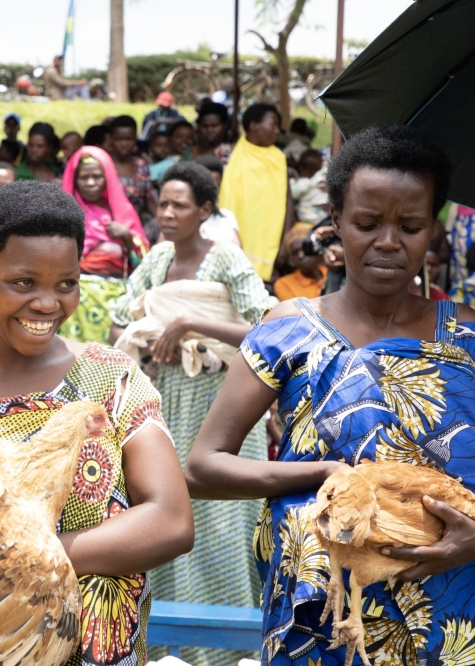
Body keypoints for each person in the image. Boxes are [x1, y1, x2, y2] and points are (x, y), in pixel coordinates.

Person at [183, 125, 475, 666]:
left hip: (447, 611)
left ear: (432, 230)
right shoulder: (288, 329)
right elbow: (202, 467)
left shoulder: (467, 337)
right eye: (367, 223)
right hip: (319, 616)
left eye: (410, 226)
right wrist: (320, 475)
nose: (388, 242)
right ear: (336, 222)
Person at [0, 179, 194, 666]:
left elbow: (171, 520)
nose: (48, 303)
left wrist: (26, 557)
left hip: (91, 646)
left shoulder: (112, 378)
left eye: (66, 283)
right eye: (23, 283)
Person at [109, 162, 271, 666]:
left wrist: (191, 322)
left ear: (206, 211)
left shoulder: (227, 261)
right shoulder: (156, 260)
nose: (168, 213)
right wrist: (146, 336)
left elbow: (270, 325)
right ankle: (163, 650)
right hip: (165, 405)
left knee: (222, 523)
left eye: (181, 205)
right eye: (163, 204)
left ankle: (226, 653)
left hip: (225, 408)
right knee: (163, 514)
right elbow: (120, 314)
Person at [59, 146, 147, 345]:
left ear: (107, 177)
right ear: (74, 179)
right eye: (84, 177)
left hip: (118, 297)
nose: (91, 183)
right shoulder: (64, 214)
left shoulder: (122, 212)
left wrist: (126, 237)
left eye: (97, 177)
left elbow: (145, 263)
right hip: (77, 296)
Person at [218, 103, 294, 281]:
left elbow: (287, 202)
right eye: (273, 124)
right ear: (254, 125)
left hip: (272, 244)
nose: (277, 131)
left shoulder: (278, 158)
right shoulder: (229, 155)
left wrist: (284, 243)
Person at [109, 115, 156, 227]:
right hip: (110, 226)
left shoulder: (142, 166)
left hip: (138, 225)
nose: (124, 144)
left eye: (128, 139)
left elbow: (149, 201)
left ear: (135, 139)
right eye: (119, 139)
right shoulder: (104, 164)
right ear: (111, 139)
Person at [192, 156, 241, 247]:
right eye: (207, 186)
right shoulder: (186, 218)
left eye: (217, 186)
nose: (212, 191)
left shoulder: (227, 217)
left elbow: (239, 251)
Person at [272, 227, 326, 301]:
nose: (300, 256)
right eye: (295, 253)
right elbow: (297, 311)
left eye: (304, 249)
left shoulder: (332, 272)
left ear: (316, 250)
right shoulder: (284, 284)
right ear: (291, 259)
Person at [290, 149, 328, 226]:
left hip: (311, 214)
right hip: (325, 213)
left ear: (305, 170)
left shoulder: (306, 183)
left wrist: (291, 180)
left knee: (298, 208)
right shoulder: (324, 177)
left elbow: (293, 192)